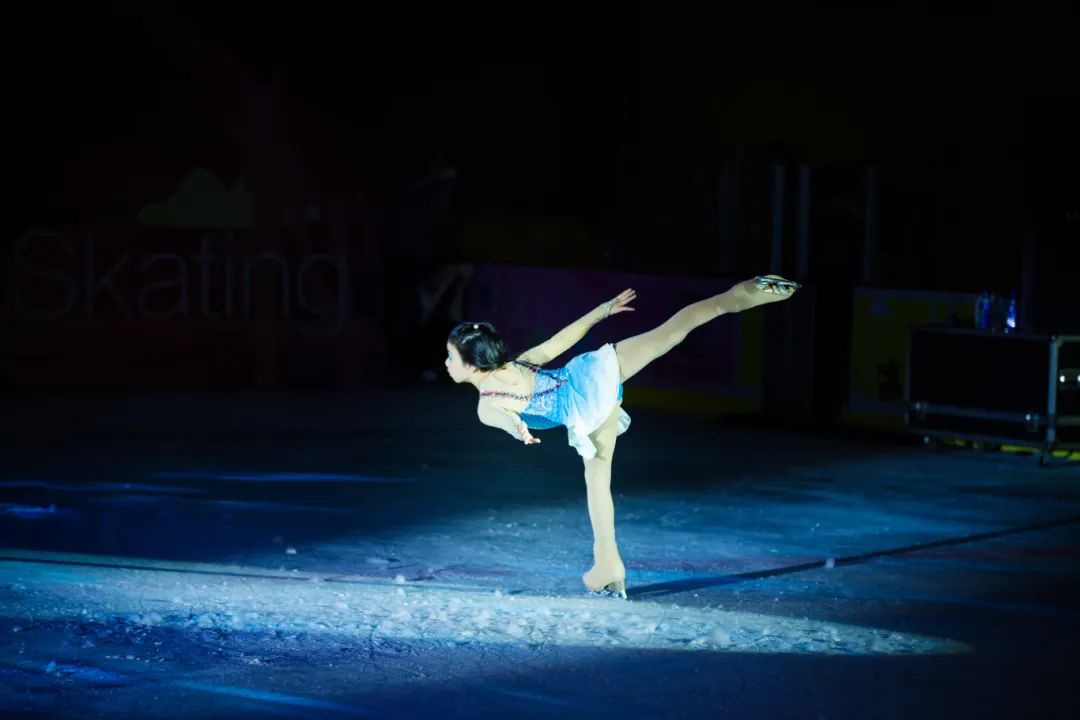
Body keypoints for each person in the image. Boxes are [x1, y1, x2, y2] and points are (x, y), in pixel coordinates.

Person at [444, 275, 800, 598]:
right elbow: (561, 339)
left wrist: (519, 429)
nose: (446, 363)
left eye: (451, 357)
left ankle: (609, 567)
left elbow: (501, 418)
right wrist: (602, 311)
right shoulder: (521, 362)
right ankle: (744, 293)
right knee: (672, 330)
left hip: (586, 409)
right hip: (592, 374)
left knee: (598, 483)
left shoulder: (487, 402)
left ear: (471, 364)